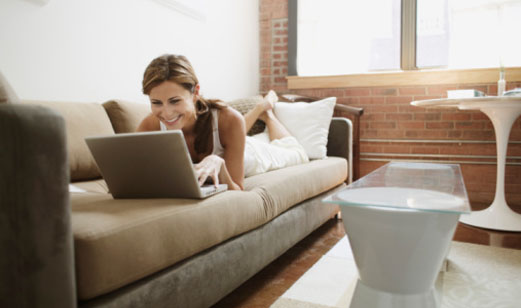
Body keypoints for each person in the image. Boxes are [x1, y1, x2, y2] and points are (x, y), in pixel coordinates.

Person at [137, 54, 308, 190]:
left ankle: (266, 112)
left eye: (175, 101)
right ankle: (260, 111)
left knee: (296, 152)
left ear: (195, 92)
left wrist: (219, 163)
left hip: (255, 154)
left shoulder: (228, 118)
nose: (166, 113)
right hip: (235, 140)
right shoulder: (149, 126)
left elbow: (237, 188)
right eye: (156, 103)